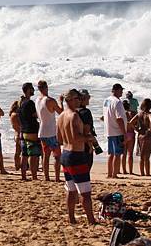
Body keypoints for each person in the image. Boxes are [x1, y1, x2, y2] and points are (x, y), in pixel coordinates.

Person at [57, 89, 96, 225]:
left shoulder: (61, 116)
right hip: (76, 155)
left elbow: (60, 139)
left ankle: (71, 217)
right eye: (76, 98)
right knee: (85, 192)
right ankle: (91, 220)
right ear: (69, 100)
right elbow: (75, 137)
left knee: (71, 188)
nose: (79, 100)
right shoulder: (74, 115)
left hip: (66, 154)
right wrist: (88, 138)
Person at [36, 80, 64, 182]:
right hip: (51, 132)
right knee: (57, 156)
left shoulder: (37, 100)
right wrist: (61, 101)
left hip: (42, 131)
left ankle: (46, 177)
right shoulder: (50, 100)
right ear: (46, 87)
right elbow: (61, 113)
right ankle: (56, 178)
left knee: (46, 156)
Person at [103, 83, 127, 179]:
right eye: (120, 90)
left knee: (111, 154)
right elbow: (119, 118)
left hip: (109, 129)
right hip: (117, 130)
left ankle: (110, 173)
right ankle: (114, 174)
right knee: (117, 154)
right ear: (115, 90)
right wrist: (124, 133)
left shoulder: (106, 101)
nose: (121, 91)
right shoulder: (117, 102)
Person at [19, 83, 41, 180]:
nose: (33, 90)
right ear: (28, 90)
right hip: (31, 130)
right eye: (32, 89)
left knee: (24, 155)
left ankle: (23, 176)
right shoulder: (30, 103)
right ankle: (34, 176)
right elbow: (35, 115)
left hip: (23, 130)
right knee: (33, 155)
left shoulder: (21, 103)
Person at [77, 89, 97, 170]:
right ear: (82, 99)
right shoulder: (86, 112)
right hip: (85, 143)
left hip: (76, 142)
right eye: (87, 97)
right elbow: (86, 130)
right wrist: (90, 145)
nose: (89, 99)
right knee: (86, 168)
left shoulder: (73, 111)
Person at [135, 99, 151, 176]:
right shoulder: (150, 114)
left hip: (140, 135)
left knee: (142, 156)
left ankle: (142, 173)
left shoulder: (139, 114)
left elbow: (130, 123)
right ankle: (147, 173)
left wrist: (137, 129)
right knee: (147, 156)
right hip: (148, 135)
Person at [122, 100, 137, 175]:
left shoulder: (121, 114)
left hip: (124, 134)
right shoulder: (132, 113)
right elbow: (136, 124)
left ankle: (124, 170)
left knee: (124, 154)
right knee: (130, 154)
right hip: (131, 133)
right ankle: (131, 171)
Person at [9, 96, 23, 171]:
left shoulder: (12, 114)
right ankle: (18, 165)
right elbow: (20, 124)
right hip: (19, 133)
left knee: (17, 151)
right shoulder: (16, 115)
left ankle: (17, 165)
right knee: (20, 151)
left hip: (16, 133)